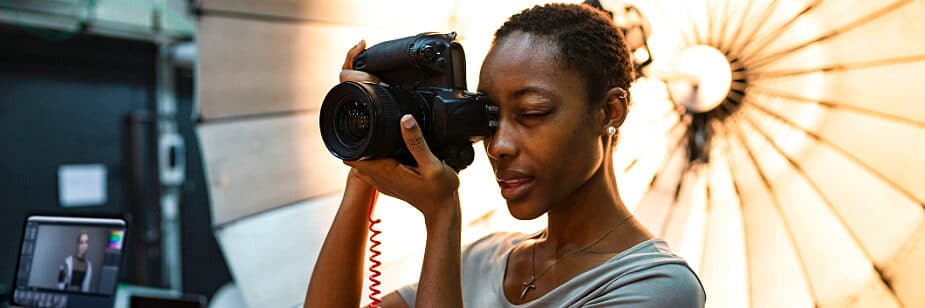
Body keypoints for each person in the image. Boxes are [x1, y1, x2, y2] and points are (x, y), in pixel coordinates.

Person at [305, 2, 706, 307]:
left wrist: (442, 217)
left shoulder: (656, 286)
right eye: (491, 118)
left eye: (531, 113)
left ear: (608, 112)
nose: (498, 146)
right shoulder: (484, 259)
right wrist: (365, 166)